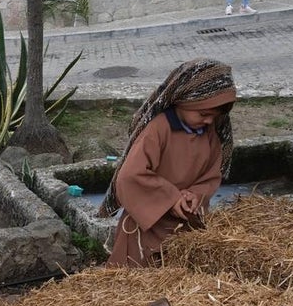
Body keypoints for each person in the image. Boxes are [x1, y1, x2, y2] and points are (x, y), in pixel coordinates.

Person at [97, 58, 236, 268]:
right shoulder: (158, 129)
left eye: (214, 116)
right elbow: (130, 177)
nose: (208, 120)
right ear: (182, 101)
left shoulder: (210, 132)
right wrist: (170, 199)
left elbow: (212, 174)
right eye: (203, 113)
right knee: (138, 281)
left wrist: (195, 194)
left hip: (185, 225)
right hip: (146, 228)